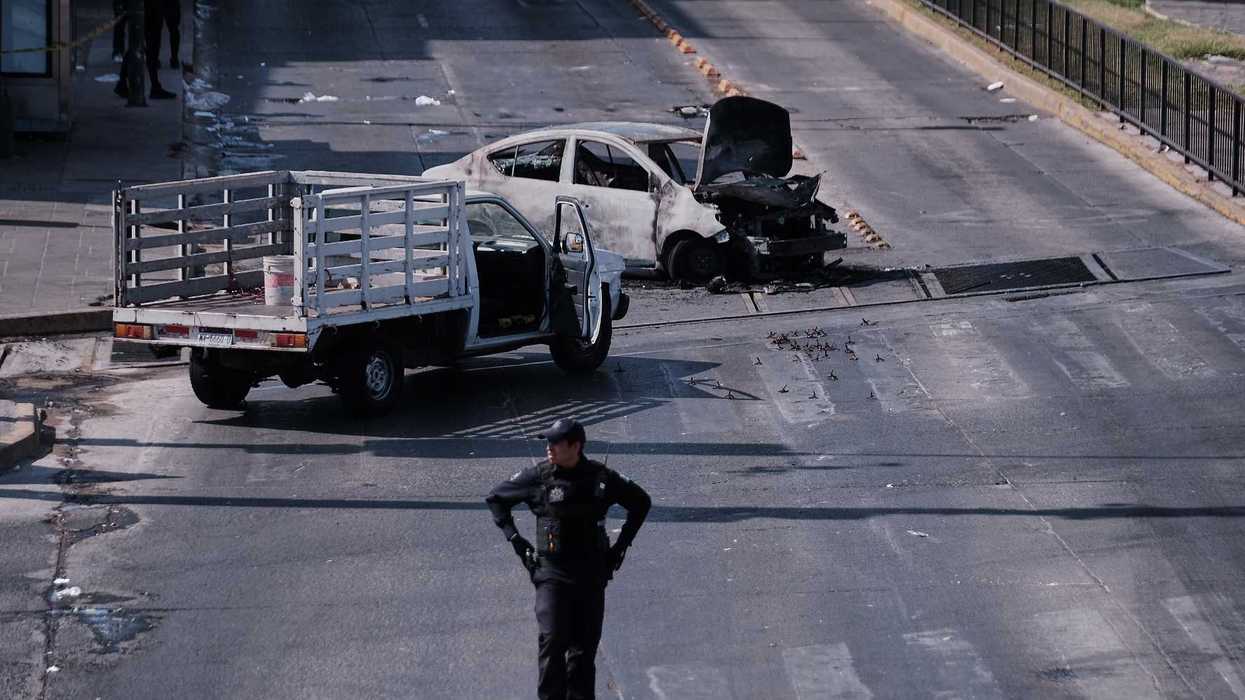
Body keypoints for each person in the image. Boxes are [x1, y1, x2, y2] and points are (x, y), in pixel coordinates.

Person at [486, 418, 651, 700]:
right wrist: (516, 540)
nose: (549, 448)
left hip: (591, 573)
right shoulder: (539, 477)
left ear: (575, 446)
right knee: (552, 640)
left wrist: (621, 546)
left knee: (583, 651)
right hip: (552, 573)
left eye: (555, 442)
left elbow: (641, 502)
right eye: (547, 442)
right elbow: (496, 498)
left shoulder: (601, 478)